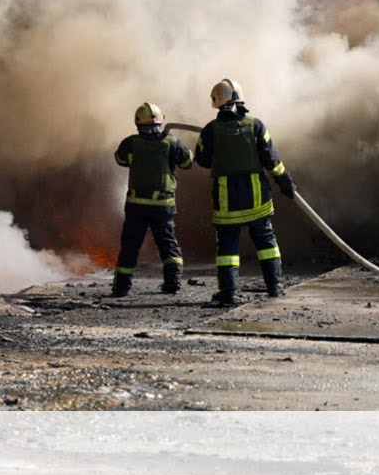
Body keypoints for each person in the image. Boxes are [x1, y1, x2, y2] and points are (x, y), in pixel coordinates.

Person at [195, 79, 296, 306]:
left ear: (217, 101)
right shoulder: (256, 125)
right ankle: (275, 287)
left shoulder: (210, 130)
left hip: (226, 199)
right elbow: (272, 160)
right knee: (266, 241)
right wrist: (285, 182)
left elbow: (201, 160)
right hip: (256, 197)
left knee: (228, 247)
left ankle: (228, 293)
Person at [112, 102, 195, 297]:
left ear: (138, 123)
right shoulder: (171, 143)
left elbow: (120, 159)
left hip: (136, 205)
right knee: (167, 243)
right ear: (160, 121)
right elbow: (188, 163)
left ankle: (121, 288)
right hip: (162, 205)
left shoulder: (130, 143)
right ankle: (172, 283)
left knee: (130, 246)